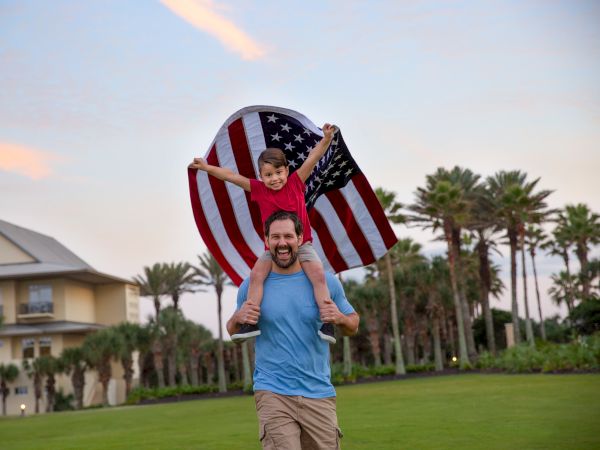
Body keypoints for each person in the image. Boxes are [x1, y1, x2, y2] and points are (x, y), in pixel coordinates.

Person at [189, 123, 338, 343]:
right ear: (261, 176)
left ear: (286, 170)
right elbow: (231, 176)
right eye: (268, 174)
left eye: (279, 172)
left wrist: (326, 139)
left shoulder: (296, 183)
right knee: (256, 276)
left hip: (302, 244)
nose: (275, 178)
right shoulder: (259, 189)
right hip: (272, 249)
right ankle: (251, 321)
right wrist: (207, 167)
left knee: (318, 274)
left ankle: (327, 322)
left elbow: (312, 158)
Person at [226, 210, 359, 450]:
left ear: (300, 239)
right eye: (275, 237)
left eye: (288, 236)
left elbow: (353, 324)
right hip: (273, 392)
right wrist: (237, 317)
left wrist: (340, 318)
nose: (282, 243)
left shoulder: (326, 282)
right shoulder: (252, 285)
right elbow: (233, 332)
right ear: (267, 242)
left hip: (318, 392)